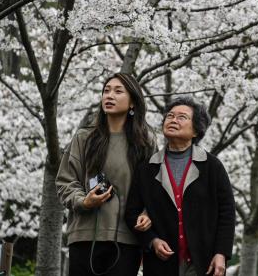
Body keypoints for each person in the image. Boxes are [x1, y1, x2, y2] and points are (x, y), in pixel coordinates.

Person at [56, 73, 156, 276]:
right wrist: (84, 201)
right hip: (84, 236)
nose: (109, 95)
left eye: (118, 91)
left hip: (127, 240)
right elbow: (65, 180)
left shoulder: (145, 142)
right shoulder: (84, 137)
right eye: (106, 90)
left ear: (132, 103)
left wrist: (147, 213)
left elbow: (154, 187)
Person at [125, 97, 235, 276]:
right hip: (161, 263)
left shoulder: (212, 166)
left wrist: (221, 253)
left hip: (203, 262)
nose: (173, 120)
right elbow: (131, 212)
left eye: (182, 117)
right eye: (170, 116)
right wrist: (152, 240)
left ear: (196, 130)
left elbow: (227, 212)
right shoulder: (147, 168)